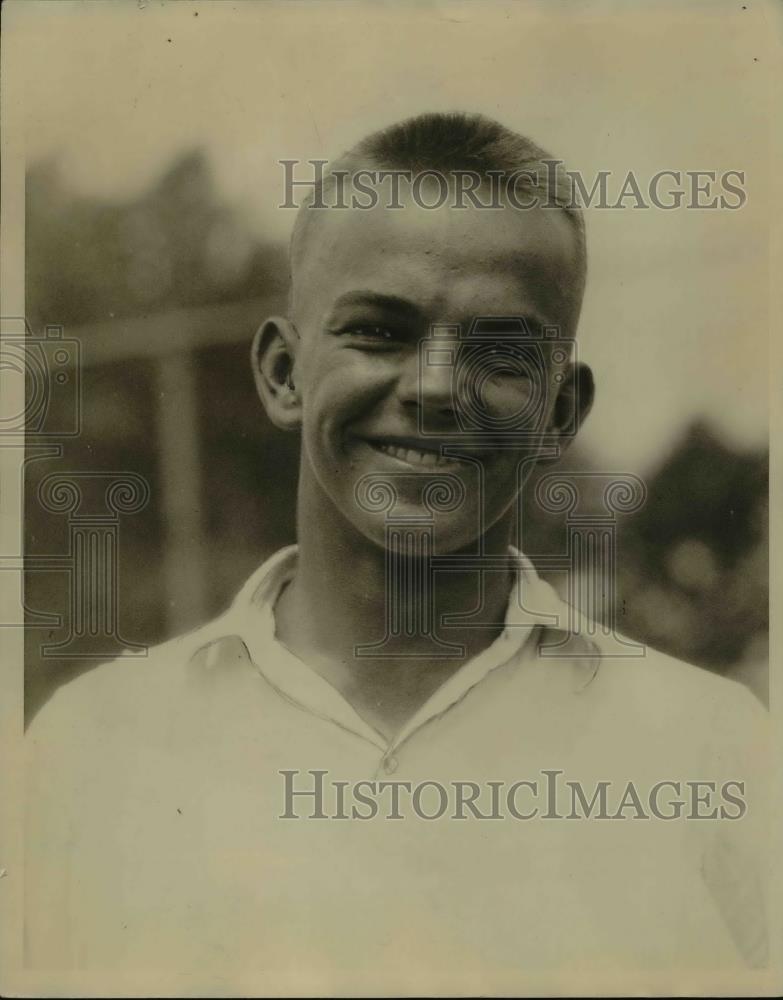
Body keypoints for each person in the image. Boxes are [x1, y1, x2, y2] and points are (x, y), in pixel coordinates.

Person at [25, 113, 768, 991]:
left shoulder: (714, 751)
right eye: (379, 331)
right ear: (282, 374)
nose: (434, 388)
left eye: (499, 351)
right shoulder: (92, 747)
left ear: (559, 413)